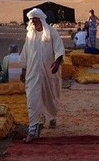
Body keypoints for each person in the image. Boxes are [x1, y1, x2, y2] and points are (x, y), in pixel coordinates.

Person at [20, 8, 65, 143]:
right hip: (33, 73)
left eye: (35, 18)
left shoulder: (51, 33)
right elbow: (25, 53)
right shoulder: (29, 36)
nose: (33, 21)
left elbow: (59, 48)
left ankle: (51, 117)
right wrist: (23, 69)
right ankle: (33, 129)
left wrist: (57, 62)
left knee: (49, 97)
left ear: (41, 19)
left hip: (49, 72)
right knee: (32, 98)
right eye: (32, 19)